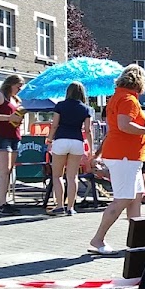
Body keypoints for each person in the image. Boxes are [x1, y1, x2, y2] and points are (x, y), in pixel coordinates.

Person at [88, 65, 145, 255]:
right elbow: (125, 125)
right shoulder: (128, 99)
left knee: (135, 198)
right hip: (124, 156)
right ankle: (98, 239)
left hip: (127, 156)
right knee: (124, 198)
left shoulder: (119, 97)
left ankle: (137, 242)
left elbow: (118, 127)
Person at [46, 81, 94, 216]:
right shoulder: (86, 109)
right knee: (72, 176)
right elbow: (88, 130)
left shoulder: (60, 105)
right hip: (77, 141)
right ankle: (71, 208)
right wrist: (90, 149)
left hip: (61, 140)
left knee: (57, 175)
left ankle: (59, 206)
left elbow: (54, 125)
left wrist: (49, 139)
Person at [0, 74, 24, 215]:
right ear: (10, 84)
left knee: (9, 170)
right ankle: (1, 203)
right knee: (4, 169)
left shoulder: (16, 99)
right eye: (18, 86)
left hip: (14, 135)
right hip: (1, 136)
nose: (20, 89)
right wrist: (9, 117)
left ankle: (5, 202)